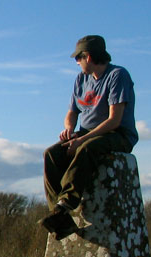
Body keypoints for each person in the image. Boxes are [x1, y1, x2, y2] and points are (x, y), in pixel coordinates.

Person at [40, 35, 138, 239]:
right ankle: (59, 215)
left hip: (118, 135)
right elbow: (72, 112)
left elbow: (114, 120)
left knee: (86, 149)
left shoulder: (117, 75)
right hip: (86, 133)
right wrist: (69, 129)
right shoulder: (81, 79)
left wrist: (81, 140)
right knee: (51, 154)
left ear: (89, 57)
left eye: (79, 58)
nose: (76, 62)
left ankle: (66, 202)